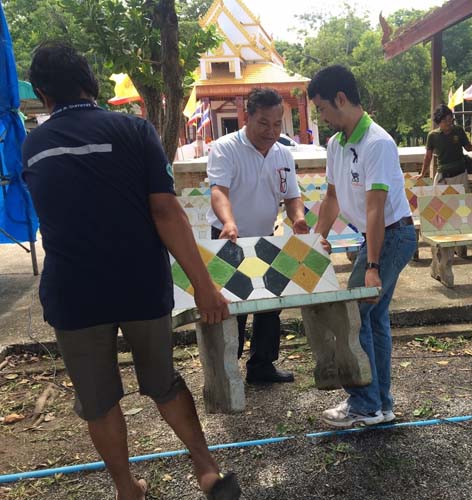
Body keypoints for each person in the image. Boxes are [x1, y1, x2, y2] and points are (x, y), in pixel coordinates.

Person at [22, 43, 240, 500]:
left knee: (98, 399)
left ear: (43, 94)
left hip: (74, 292)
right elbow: (166, 212)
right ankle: (206, 469)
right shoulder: (133, 130)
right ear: (90, 82)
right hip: (139, 283)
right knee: (163, 382)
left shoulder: (34, 145)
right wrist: (204, 287)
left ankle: (127, 489)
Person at [307, 65, 417, 428]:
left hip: (392, 236)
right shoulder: (336, 145)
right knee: (373, 319)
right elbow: (332, 198)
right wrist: (315, 239)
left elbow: (375, 209)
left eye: (322, 108)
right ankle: (380, 404)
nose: (321, 117)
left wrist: (371, 265)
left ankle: (365, 404)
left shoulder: (377, 143)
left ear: (340, 98)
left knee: (352, 318)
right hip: (378, 238)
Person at [207, 88, 308, 384]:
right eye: (264, 123)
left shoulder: (283, 153)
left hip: (266, 237)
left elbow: (292, 196)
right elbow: (218, 191)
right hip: (228, 237)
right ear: (247, 117)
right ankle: (227, 369)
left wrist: (298, 218)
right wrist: (229, 222)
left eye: (277, 124)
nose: (271, 131)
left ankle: (262, 365)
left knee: (269, 305)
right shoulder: (225, 148)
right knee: (231, 307)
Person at [418, 104, 472, 187]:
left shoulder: (458, 130)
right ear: (438, 122)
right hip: (443, 174)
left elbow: (469, 148)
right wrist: (422, 173)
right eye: (445, 121)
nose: (448, 123)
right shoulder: (432, 135)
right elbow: (428, 157)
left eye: (450, 119)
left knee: (461, 195)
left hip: (460, 174)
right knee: (438, 195)